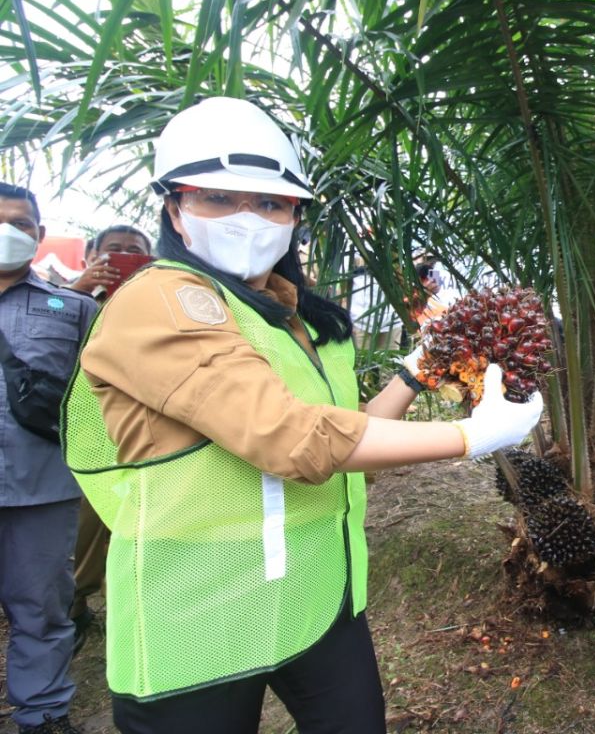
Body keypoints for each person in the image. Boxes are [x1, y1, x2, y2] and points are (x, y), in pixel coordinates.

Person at [61, 97, 543, 734]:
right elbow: (289, 438)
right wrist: (466, 436)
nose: (247, 217)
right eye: (218, 198)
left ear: (294, 215)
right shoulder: (160, 301)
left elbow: (345, 442)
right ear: (175, 206)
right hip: (199, 611)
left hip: (312, 599)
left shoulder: (288, 315)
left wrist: (414, 373)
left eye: (269, 202)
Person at [0, 183, 97, 734]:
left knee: (40, 608)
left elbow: (96, 395)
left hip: (42, 487)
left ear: (38, 234)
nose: (9, 233)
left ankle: (42, 714)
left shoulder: (75, 308)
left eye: (21, 223)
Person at [60, 224, 154, 647]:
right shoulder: (65, 301)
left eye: (135, 252)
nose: (124, 258)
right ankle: (75, 605)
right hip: (86, 440)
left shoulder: (157, 305)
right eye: (114, 251)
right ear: (90, 257)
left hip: (141, 439)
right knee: (86, 527)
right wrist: (78, 292)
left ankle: (135, 613)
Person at [66, 224, 154, 299]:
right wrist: (79, 289)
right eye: (114, 249)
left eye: (134, 251)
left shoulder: (158, 292)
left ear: (149, 259)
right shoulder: (66, 291)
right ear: (96, 256)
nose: (124, 254)